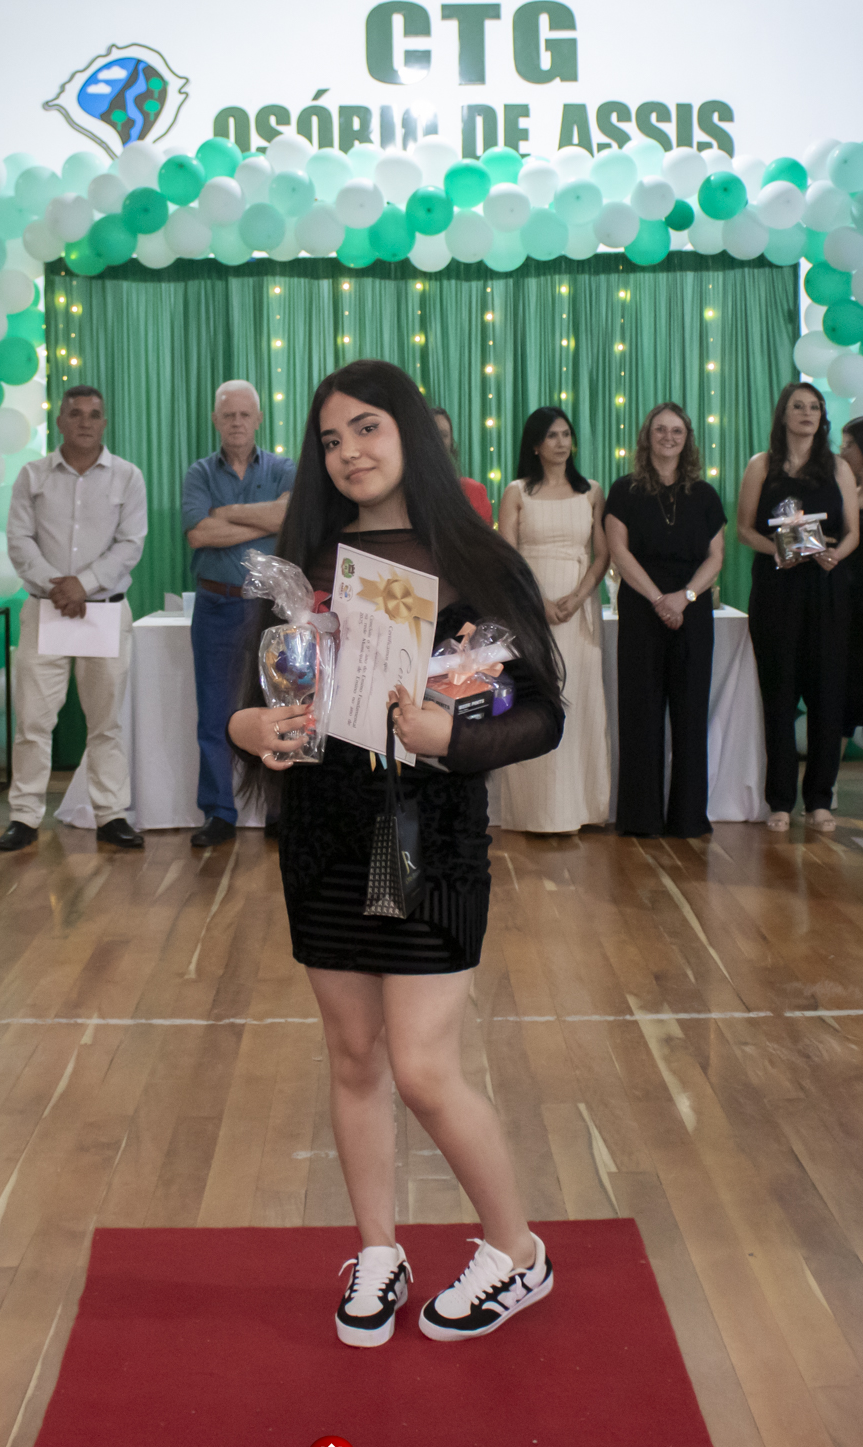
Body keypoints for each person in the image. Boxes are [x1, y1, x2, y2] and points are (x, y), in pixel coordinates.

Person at [229, 361, 564, 1346]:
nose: (349, 452)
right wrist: (254, 731)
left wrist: (448, 736)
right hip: (324, 832)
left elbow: (541, 712)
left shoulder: (478, 560)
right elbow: (248, 705)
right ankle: (378, 1248)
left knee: (422, 1068)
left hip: (428, 835)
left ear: (410, 430)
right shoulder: (305, 564)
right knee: (353, 1057)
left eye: (367, 428)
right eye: (330, 439)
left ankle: (517, 1250)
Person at [0, 384, 147, 853]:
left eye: (94, 414)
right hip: (46, 610)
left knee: (106, 724)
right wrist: (58, 588)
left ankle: (111, 815)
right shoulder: (32, 475)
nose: (85, 421)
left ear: (105, 423)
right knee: (32, 722)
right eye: (76, 413)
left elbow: (130, 544)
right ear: (60, 421)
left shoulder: (128, 477)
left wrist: (83, 584)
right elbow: (19, 540)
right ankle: (24, 816)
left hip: (104, 611)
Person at [737, 383, 858, 833]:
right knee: (779, 697)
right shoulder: (761, 465)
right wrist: (776, 549)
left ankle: (820, 800)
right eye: (798, 406)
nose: (807, 413)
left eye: (815, 407)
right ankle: (780, 801)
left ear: (822, 417)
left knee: (827, 696)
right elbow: (744, 530)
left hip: (826, 591)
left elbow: (852, 533)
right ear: (783, 415)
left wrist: (835, 555)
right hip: (777, 591)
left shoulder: (839, 466)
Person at [604, 402, 726, 838]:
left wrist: (685, 597)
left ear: (687, 438)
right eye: (660, 430)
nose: (668, 437)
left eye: (677, 431)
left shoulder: (705, 495)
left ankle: (688, 818)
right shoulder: (624, 491)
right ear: (647, 437)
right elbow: (619, 552)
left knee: (691, 715)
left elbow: (716, 557)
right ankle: (641, 819)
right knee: (640, 714)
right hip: (642, 608)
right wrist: (659, 599)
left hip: (692, 611)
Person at [182, 380, 295, 847]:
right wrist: (261, 520)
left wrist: (226, 513)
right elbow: (199, 534)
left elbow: (286, 519)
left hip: (272, 608)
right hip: (216, 605)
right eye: (228, 415)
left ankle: (279, 810)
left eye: (245, 414)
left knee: (280, 709)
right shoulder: (198, 473)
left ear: (259, 419)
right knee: (214, 714)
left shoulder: (285, 469)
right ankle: (219, 813)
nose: (236, 422)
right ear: (215, 420)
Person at [497, 406, 610, 834]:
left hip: (579, 609)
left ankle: (582, 809)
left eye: (566, 434)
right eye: (552, 436)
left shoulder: (591, 491)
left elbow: (602, 555)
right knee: (538, 699)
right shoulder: (517, 491)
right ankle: (537, 813)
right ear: (535, 445)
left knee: (580, 701)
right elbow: (508, 558)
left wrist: (578, 598)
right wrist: (540, 603)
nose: (561, 443)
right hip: (531, 608)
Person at [840, 416, 863, 744]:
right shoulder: (846, 494)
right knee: (844, 693)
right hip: (849, 606)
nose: (842, 451)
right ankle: (830, 777)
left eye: (849, 445)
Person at [430, 407, 493, 524]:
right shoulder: (403, 493)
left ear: (451, 442)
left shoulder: (473, 491)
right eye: (431, 434)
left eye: (443, 435)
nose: (437, 441)